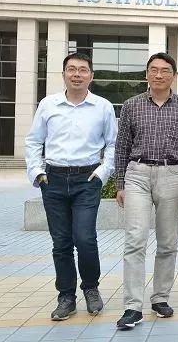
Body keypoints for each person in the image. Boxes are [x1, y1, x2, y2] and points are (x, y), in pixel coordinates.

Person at [114, 52, 178, 330]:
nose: (159, 75)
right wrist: (120, 184)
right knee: (135, 240)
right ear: (146, 74)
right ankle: (132, 306)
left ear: (174, 76)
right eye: (153, 70)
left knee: (167, 242)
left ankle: (160, 298)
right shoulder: (131, 105)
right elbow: (121, 147)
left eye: (165, 70)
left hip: (172, 175)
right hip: (137, 174)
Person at [25, 52, 117, 321]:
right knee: (61, 242)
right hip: (53, 180)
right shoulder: (48, 104)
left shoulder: (102, 106)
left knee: (85, 238)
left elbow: (113, 144)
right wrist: (37, 173)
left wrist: (102, 173)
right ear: (64, 74)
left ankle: (91, 288)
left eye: (83, 70)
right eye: (72, 69)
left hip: (87, 180)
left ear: (91, 75)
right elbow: (34, 141)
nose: (77, 74)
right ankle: (66, 297)